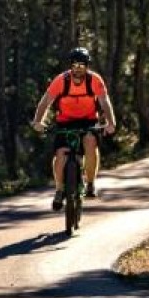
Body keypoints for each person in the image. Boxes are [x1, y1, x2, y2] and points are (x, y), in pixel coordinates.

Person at [31, 47, 116, 210]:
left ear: (87, 66)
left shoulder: (94, 80)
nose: (78, 69)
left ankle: (90, 184)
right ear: (70, 66)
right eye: (75, 65)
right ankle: (59, 190)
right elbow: (46, 101)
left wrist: (111, 123)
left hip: (88, 120)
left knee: (90, 142)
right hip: (65, 121)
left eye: (82, 65)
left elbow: (105, 101)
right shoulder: (61, 80)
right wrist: (37, 121)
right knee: (60, 154)